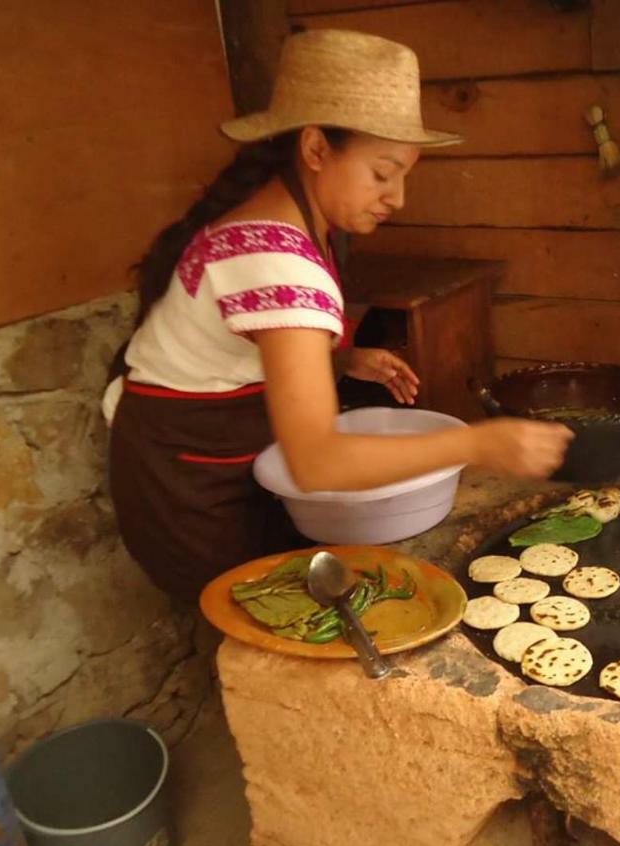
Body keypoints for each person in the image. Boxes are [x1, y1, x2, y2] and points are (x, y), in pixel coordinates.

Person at [106, 29, 572, 600]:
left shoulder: (277, 218)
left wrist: (341, 358)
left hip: (209, 455)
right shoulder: (275, 260)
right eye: (383, 172)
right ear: (316, 149)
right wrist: (480, 445)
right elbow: (319, 464)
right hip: (189, 489)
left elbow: (238, 341)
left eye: (405, 174)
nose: (397, 198)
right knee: (254, 638)